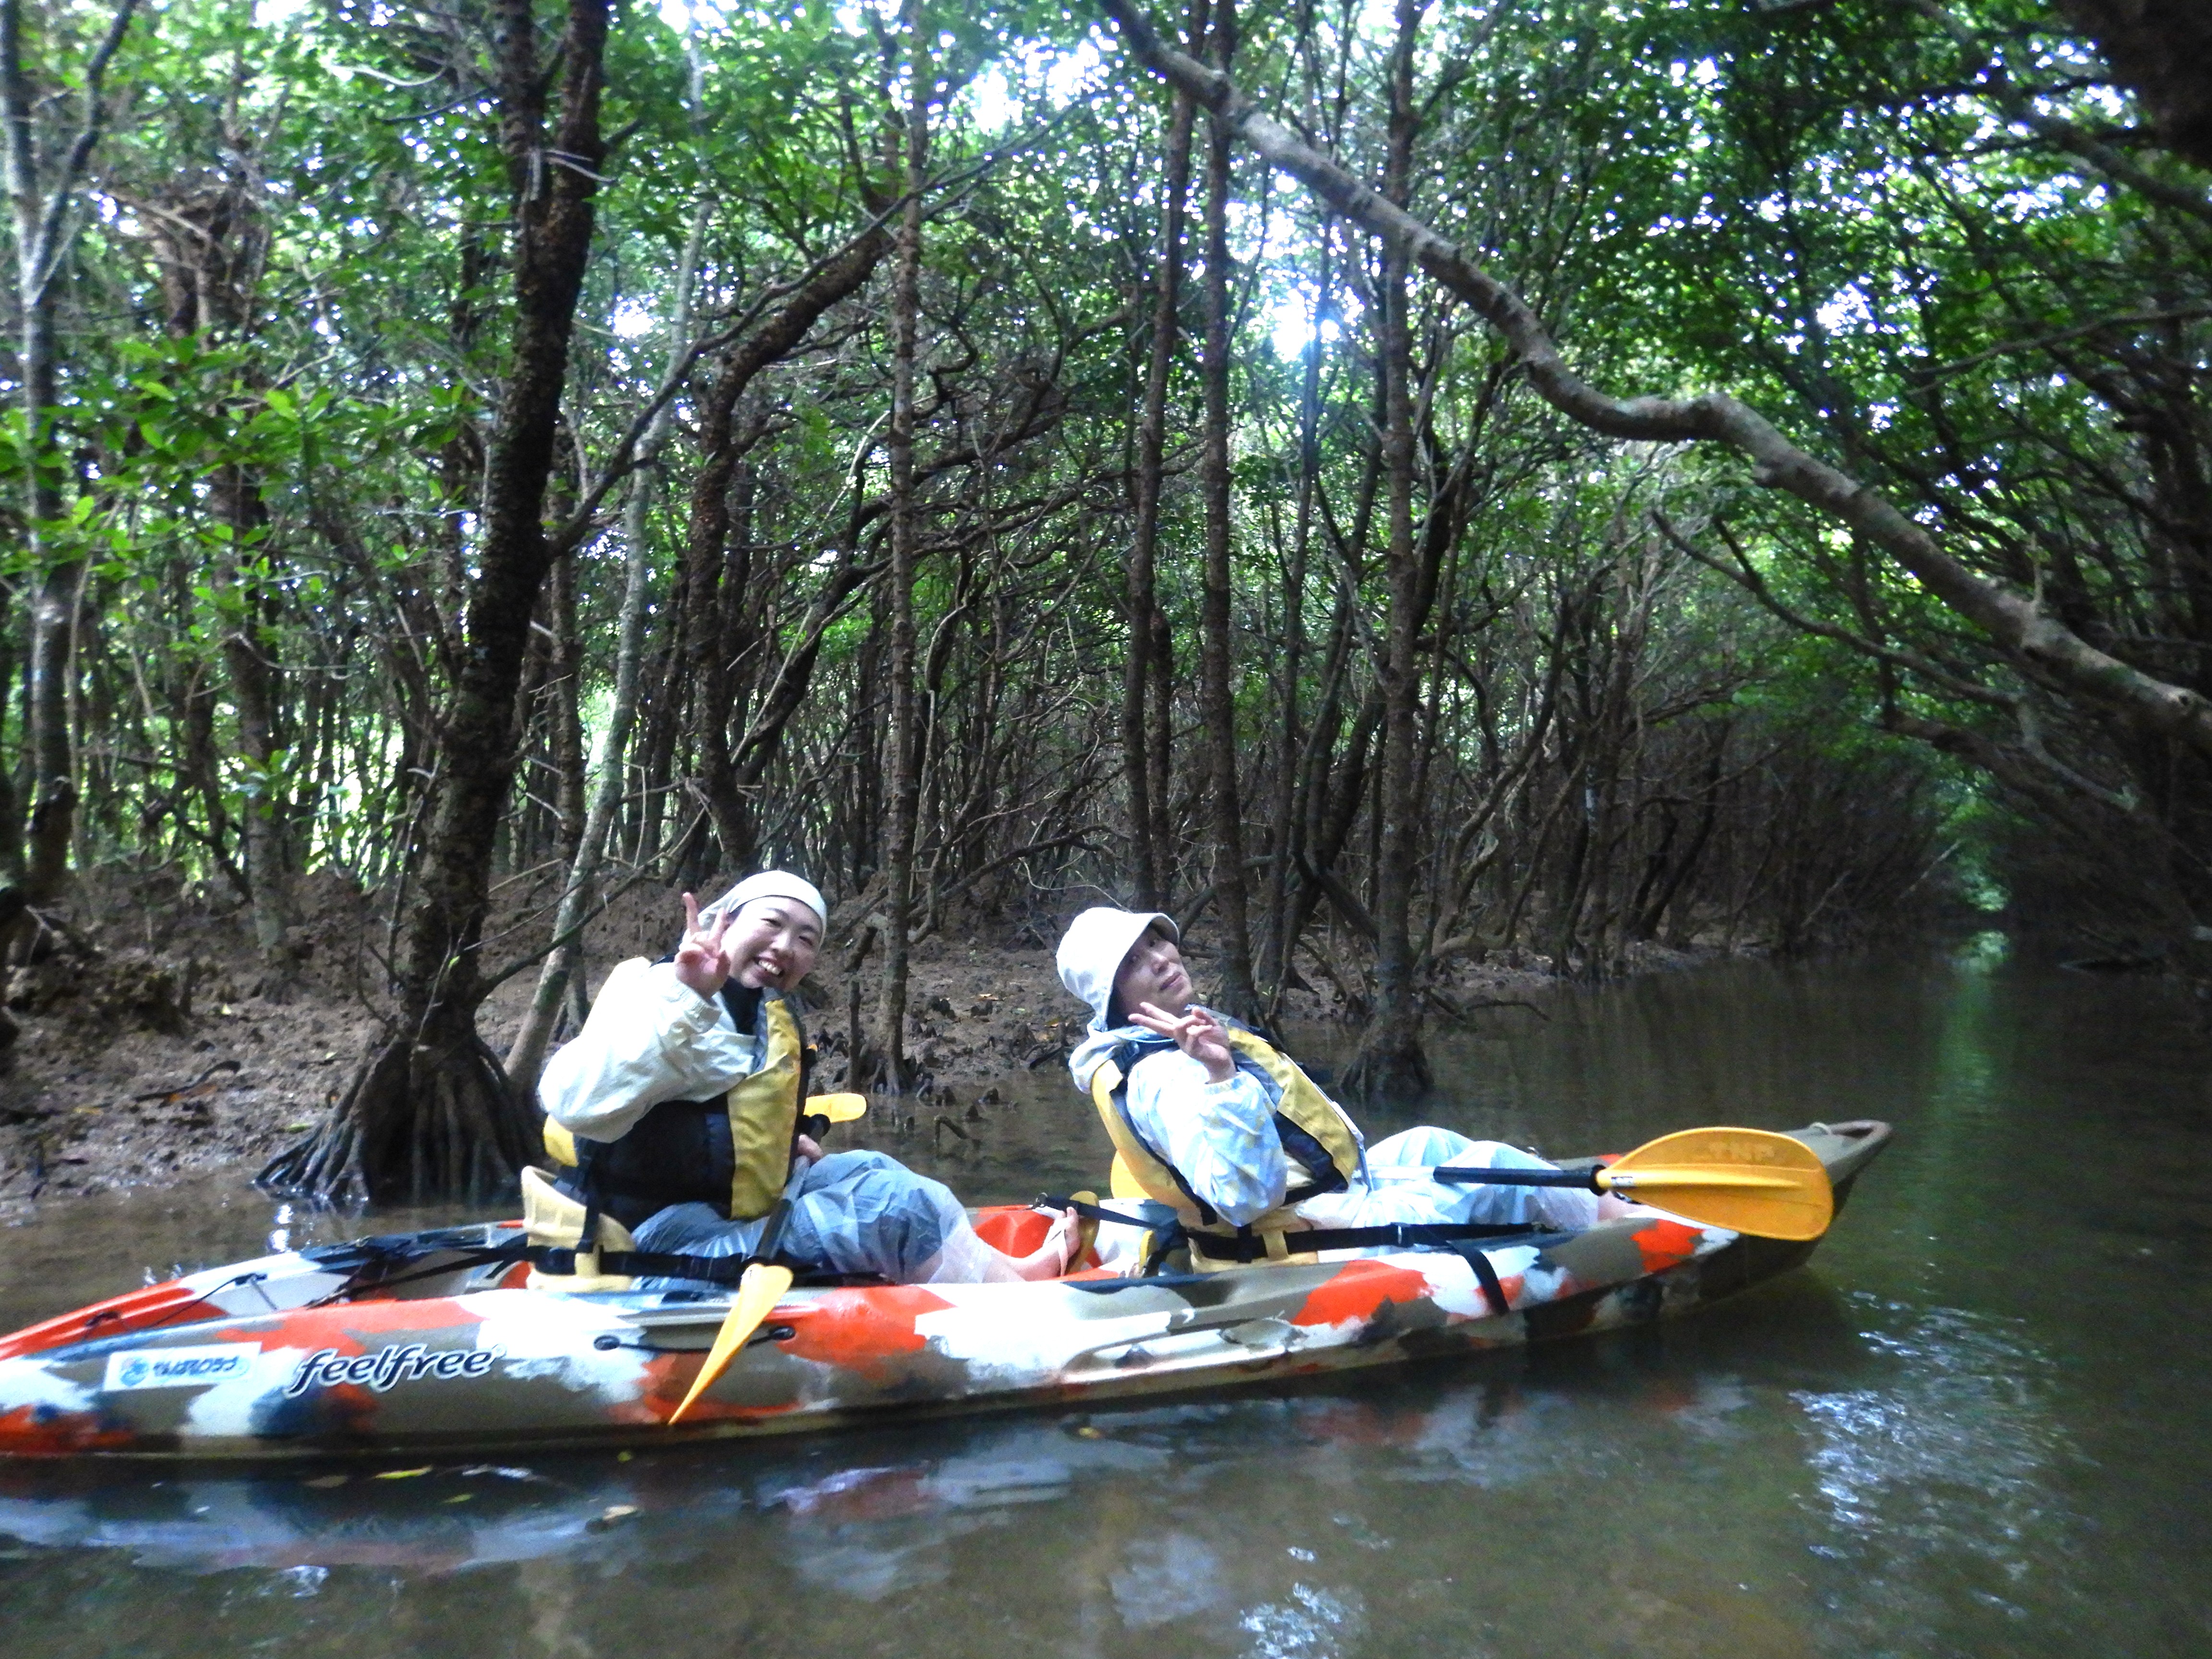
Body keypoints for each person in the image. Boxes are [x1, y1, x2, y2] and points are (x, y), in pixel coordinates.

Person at [537, 869, 1074, 1286]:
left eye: (806, 938)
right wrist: (686, 996)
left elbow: (708, 1111)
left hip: (708, 1210)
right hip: (656, 1245)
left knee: (871, 1166)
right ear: (726, 921)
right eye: (772, 923)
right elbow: (575, 1103)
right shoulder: (668, 995)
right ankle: (1014, 1301)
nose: (785, 946)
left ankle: (1006, 1272)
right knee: (894, 1205)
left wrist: (773, 1148)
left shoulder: (751, 1006)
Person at [1055, 906, 1621, 1270]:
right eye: (1135, 963)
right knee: (1495, 1165)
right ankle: (1623, 1230)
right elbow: (1241, 1198)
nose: (1160, 960)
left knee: (1430, 1142)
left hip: (1319, 1205)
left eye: (1156, 942)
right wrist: (1223, 1077)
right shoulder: (1164, 1075)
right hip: (1303, 1246)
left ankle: (1583, 1205)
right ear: (1114, 999)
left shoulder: (1161, 1040)